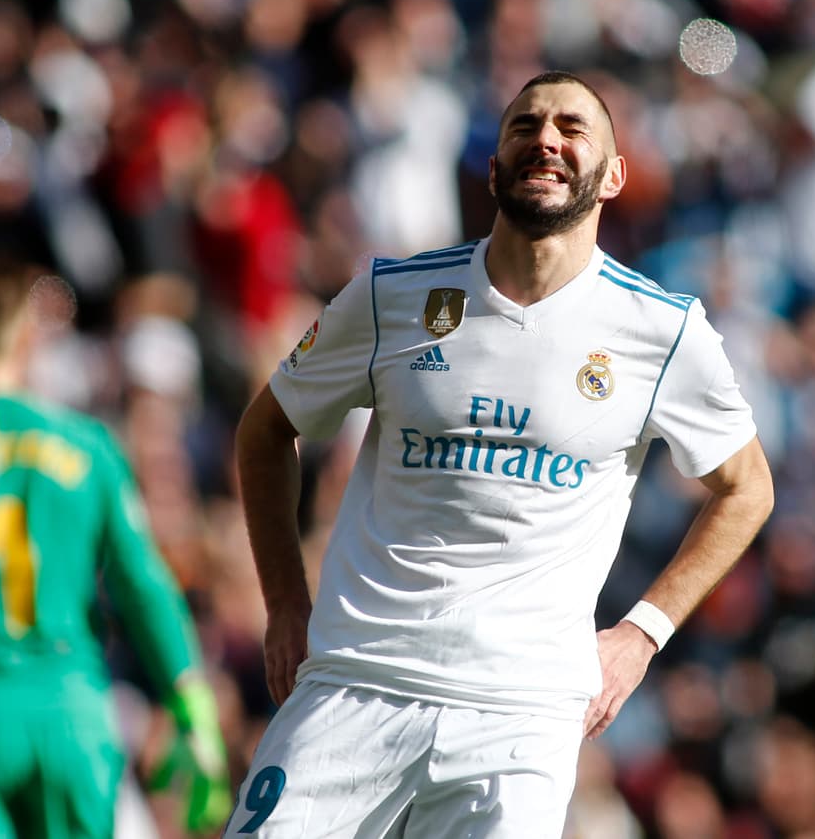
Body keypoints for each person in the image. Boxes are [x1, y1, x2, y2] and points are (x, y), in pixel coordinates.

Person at [228, 70, 775, 838]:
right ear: (494, 167)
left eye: (573, 128)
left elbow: (746, 487)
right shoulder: (392, 295)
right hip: (357, 679)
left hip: (521, 712)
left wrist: (642, 632)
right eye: (525, 125)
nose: (546, 139)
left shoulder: (663, 330)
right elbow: (264, 431)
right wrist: (285, 601)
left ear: (614, 175)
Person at [0, 254, 233, 838]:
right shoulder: (89, 447)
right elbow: (143, 587)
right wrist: (196, 714)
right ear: (27, 343)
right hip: (73, 715)